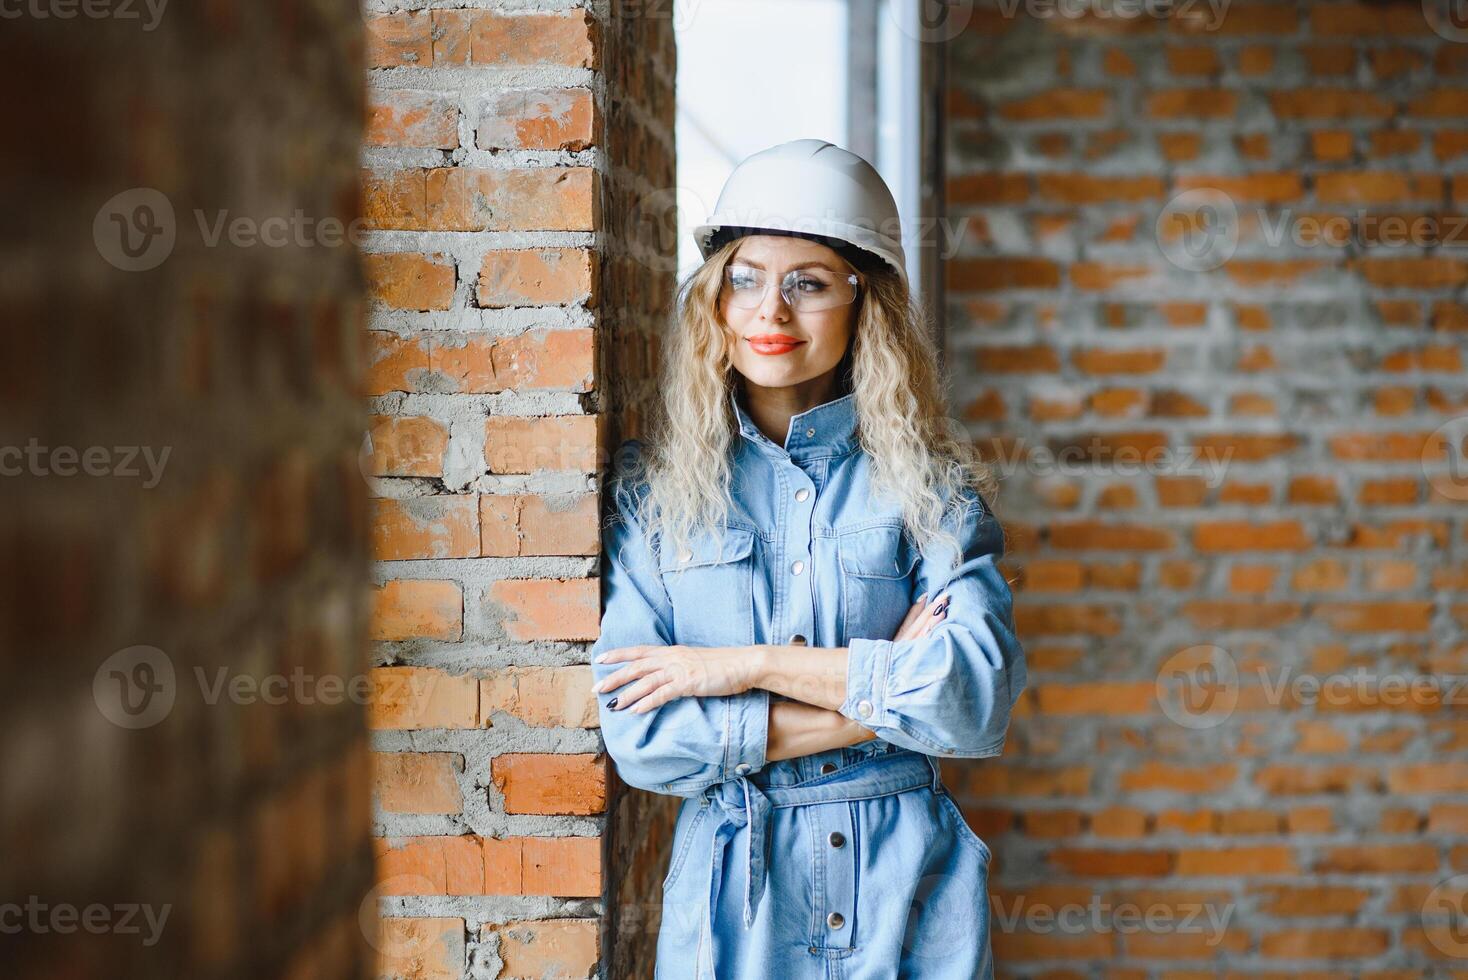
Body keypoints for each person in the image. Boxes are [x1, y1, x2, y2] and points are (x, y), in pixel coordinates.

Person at [589, 139, 1027, 979]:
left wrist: (738, 666)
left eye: (809, 283)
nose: (771, 313)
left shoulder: (929, 488)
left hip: (906, 897)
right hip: (735, 906)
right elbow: (643, 735)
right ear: (713, 299)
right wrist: (874, 703)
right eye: (746, 277)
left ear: (867, 302)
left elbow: (973, 697)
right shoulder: (655, 492)